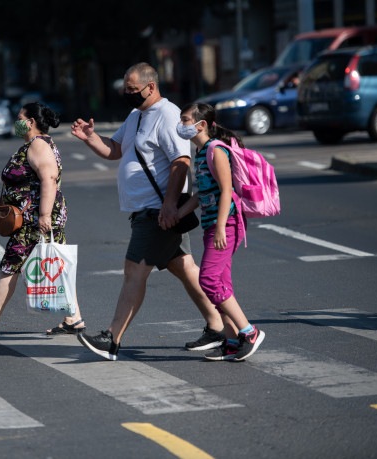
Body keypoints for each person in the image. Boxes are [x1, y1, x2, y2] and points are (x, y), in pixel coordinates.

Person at [70, 62, 225, 361]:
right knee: (185, 268)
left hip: (157, 211)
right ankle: (222, 325)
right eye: (125, 90)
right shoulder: (136, 115)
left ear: (150, 87)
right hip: (151, 209)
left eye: (132, 89)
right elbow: (115, 150)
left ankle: (112, 339)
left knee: (133, 272)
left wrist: (168, 205)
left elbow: (181, 161)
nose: (127, 94)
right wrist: (90, 138)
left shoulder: (167, 115)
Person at [0, 102, 86, 336]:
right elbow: (18, 185)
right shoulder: (34, 144)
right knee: (57, 264)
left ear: (31, 122)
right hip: (32, 217)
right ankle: (73, 318)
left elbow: (49, 178)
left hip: (34, 220)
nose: (17, 122)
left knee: (10, 265)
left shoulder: (38, 145)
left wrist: (44, 215)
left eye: (20, 118)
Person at [175, 102, 265, 361]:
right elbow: (202, 196)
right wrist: (177, 214)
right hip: (212, 225)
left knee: (209, 281)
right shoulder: (200, 153)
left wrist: (221, 229)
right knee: (220, 284)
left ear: (201, 125)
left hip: (226, 224)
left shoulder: (216, 151)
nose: (180, 125)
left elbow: (227, 190)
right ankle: (232, 339)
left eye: (184, 120)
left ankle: (248, 332)